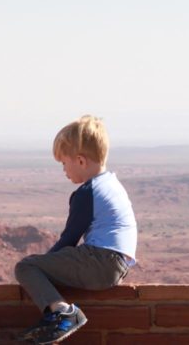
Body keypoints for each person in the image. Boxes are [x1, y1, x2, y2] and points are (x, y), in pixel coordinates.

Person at [15, 115, 137, 343]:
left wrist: (42, 267)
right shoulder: (111, 183)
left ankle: (63, 313)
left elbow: (69, 239)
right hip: (119, 264)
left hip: (101, 260)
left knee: (26, 266)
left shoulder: (87, 193)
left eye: (64, 163)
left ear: (80, 161)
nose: (63, 170)